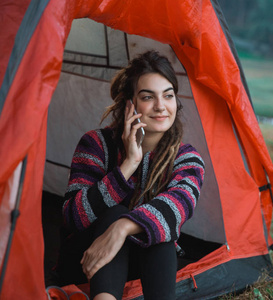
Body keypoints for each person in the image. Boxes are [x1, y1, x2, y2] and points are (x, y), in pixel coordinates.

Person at [56, 50, 205, 300]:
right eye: (148, 97)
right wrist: (129, 164)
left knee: (159, 232)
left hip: (142, 268)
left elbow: (179, 206)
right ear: (130, 104)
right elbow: (72, 217)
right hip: (85, 261)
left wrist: (122, 228)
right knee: (115, 212)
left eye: (168, 95)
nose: (160, 106)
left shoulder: (187, 158)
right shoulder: (96, 144)